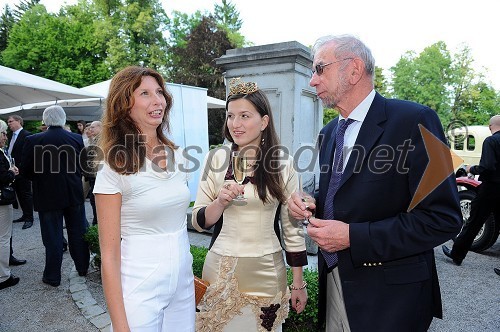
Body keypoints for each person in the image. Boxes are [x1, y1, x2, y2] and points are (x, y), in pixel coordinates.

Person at [287, 35, 462, 331]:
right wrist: (309, 203)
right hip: (334, 284)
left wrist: (355, 237)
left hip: (391, 301)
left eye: (319, 69)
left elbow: (443, 219)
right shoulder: (330, 132)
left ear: (354, 70)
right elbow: (340, 195)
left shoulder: (417, 120)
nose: (312, 81)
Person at [192, 78, 308, 332]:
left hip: (268, 272)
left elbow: (292, 228)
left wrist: (298, 283)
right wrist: (220, 202)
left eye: (244, 115)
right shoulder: (216, 159)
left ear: (264, 121)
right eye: (230, 116)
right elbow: (198, 221)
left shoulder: (283, 163)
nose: (235, 124)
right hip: (220, 272)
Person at [94, 66, 195, 331]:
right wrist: (119, 325)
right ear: (124, 104)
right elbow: (109, 254)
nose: (158, 100)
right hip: (139, 284)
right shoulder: (113, 165)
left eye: (160, 92)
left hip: (183, 283)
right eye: (145, 93)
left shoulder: (179, 155)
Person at [21, 105, 90, 287]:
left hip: (47, 195)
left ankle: (52, 276)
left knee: (52, 237)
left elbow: (25, 170)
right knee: (78, 232)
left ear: (45, 121)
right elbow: (83, 166)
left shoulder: (33, 140)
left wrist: (41, 179)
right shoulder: (75, 138)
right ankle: (82, 267)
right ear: (63, 119)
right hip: (73, 192)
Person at [442, 115, 500, 265]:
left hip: (491, 188)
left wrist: (471, 168)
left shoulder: (491, 141)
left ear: (490, 126)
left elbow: (486, 168)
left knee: (473, 223)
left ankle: (457, 255)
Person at [0, 119, 21, 290]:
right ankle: (3, 276)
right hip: (2, 201)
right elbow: (2, 178)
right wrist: (11, 172)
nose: (6, 137)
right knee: (3, 238)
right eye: (3, 133)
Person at [7, 115, 34, 230]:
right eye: (8, 122)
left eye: (11, 121)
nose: (9, 124)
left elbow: (29, 155)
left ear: (18, 121)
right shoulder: (10, 136)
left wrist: (23, 169)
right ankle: (25, 215)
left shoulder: (26, 135)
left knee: (26, 194)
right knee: (19, 194)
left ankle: (29, 218)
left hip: (23, 171)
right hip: (13, 171)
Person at [81, 120, 102, 225]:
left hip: (97, 175)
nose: (90, 129)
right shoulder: (94, 140)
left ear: (100, 128)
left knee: (95, 200)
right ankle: (96, 221)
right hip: (91, 175)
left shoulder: (101, 140)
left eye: (93, 127)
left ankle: (97, 222)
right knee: (93, 200)